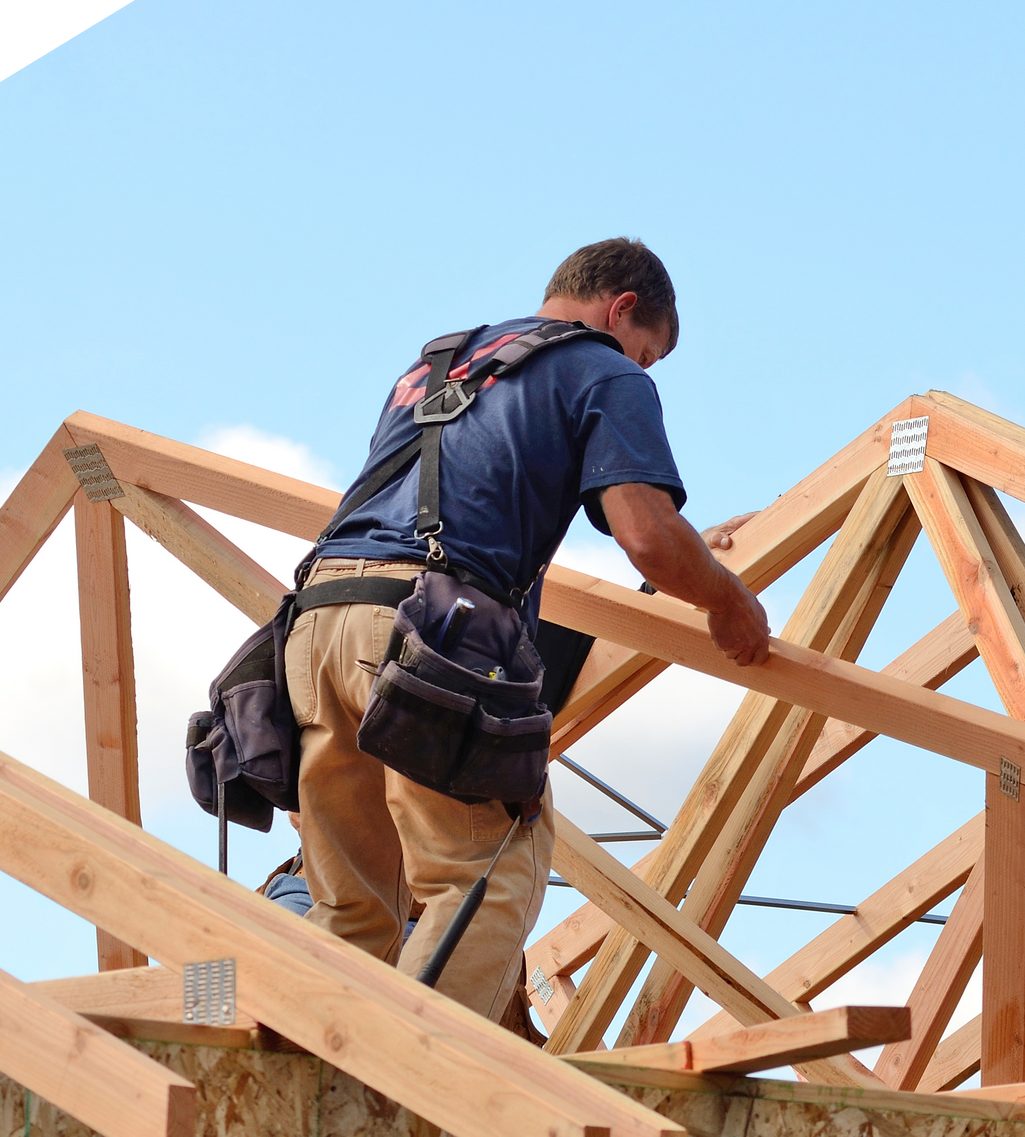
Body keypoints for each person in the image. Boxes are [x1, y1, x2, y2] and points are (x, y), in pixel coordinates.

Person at [285, 238, 769, 1028]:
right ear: (621, 311)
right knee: (490, 873)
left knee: (356, 906)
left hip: (319, 624)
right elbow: (645, 532)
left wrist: (670, 570)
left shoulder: (440, 364)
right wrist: (725, 600)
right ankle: (410, 1088)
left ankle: (326, 1094)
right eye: (647, 353)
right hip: (427, 629)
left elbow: (464, 505)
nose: (641, 372)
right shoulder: (603, 370)